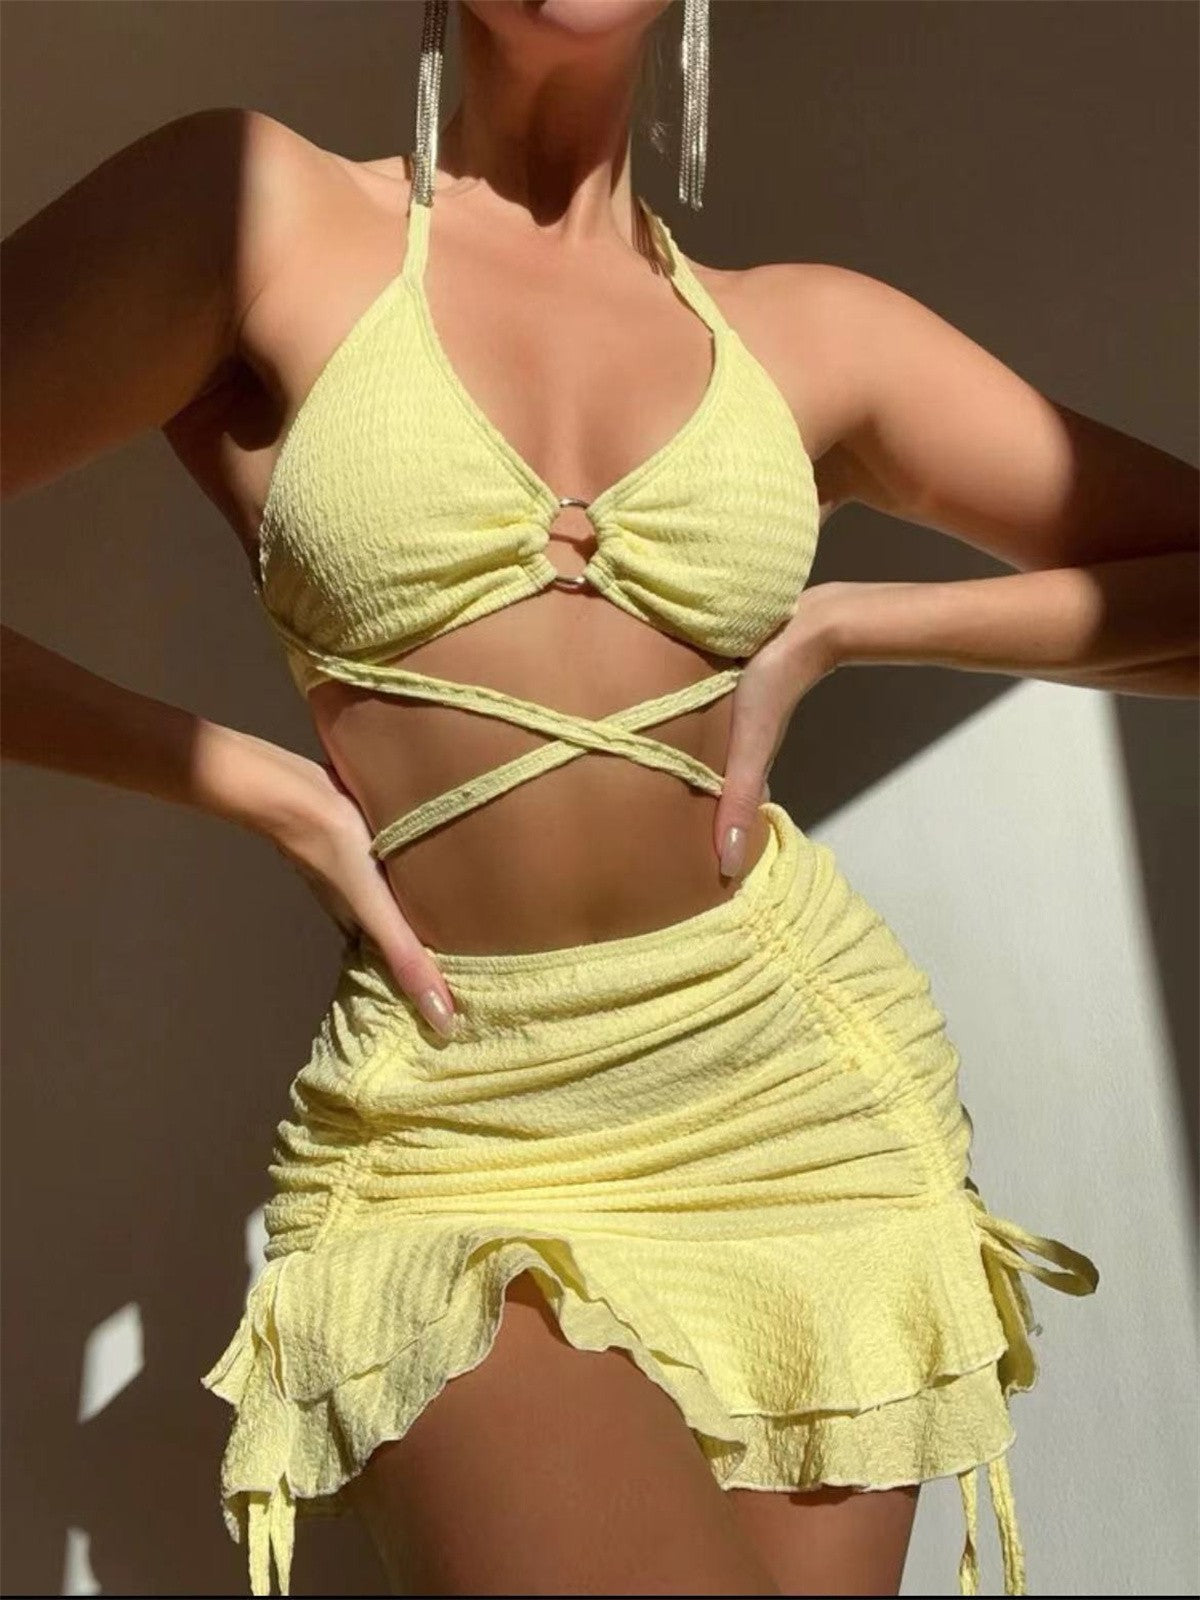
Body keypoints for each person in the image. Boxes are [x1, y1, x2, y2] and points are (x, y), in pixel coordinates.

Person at [2, 2, 1195, 1595]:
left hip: (796, 1118)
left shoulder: (812, 334)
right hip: (459, 1116)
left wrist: (861, 624)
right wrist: (255, 785)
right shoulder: (252, 218)